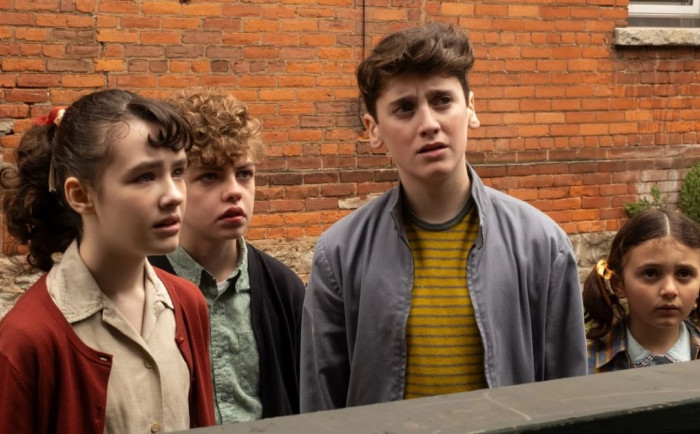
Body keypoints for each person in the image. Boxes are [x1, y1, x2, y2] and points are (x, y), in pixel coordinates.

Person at [300, 22, 587, 412]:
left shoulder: (542, 245)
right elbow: (321, 408)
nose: (429, 124)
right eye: (404, 108)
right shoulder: (339, 255)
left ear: (471, 109)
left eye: (442, 100)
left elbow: (569, 399)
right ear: (373, 130)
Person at [0, 89, 215, 433]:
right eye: (145, 176)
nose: (174, 195)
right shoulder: (27, 339)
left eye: (178, 172)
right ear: (80, 195)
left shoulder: (189, 305)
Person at [148, 88, 305, 422]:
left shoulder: (283, 288)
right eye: (210, 176)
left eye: (244, 173)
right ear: (174, 184)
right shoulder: (142, 287)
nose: (234, 191)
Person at [585, 209, 700, 373]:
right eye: (651, 273)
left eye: (684, 274)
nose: (669, 290)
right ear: (618, 284)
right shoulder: (582, 365)